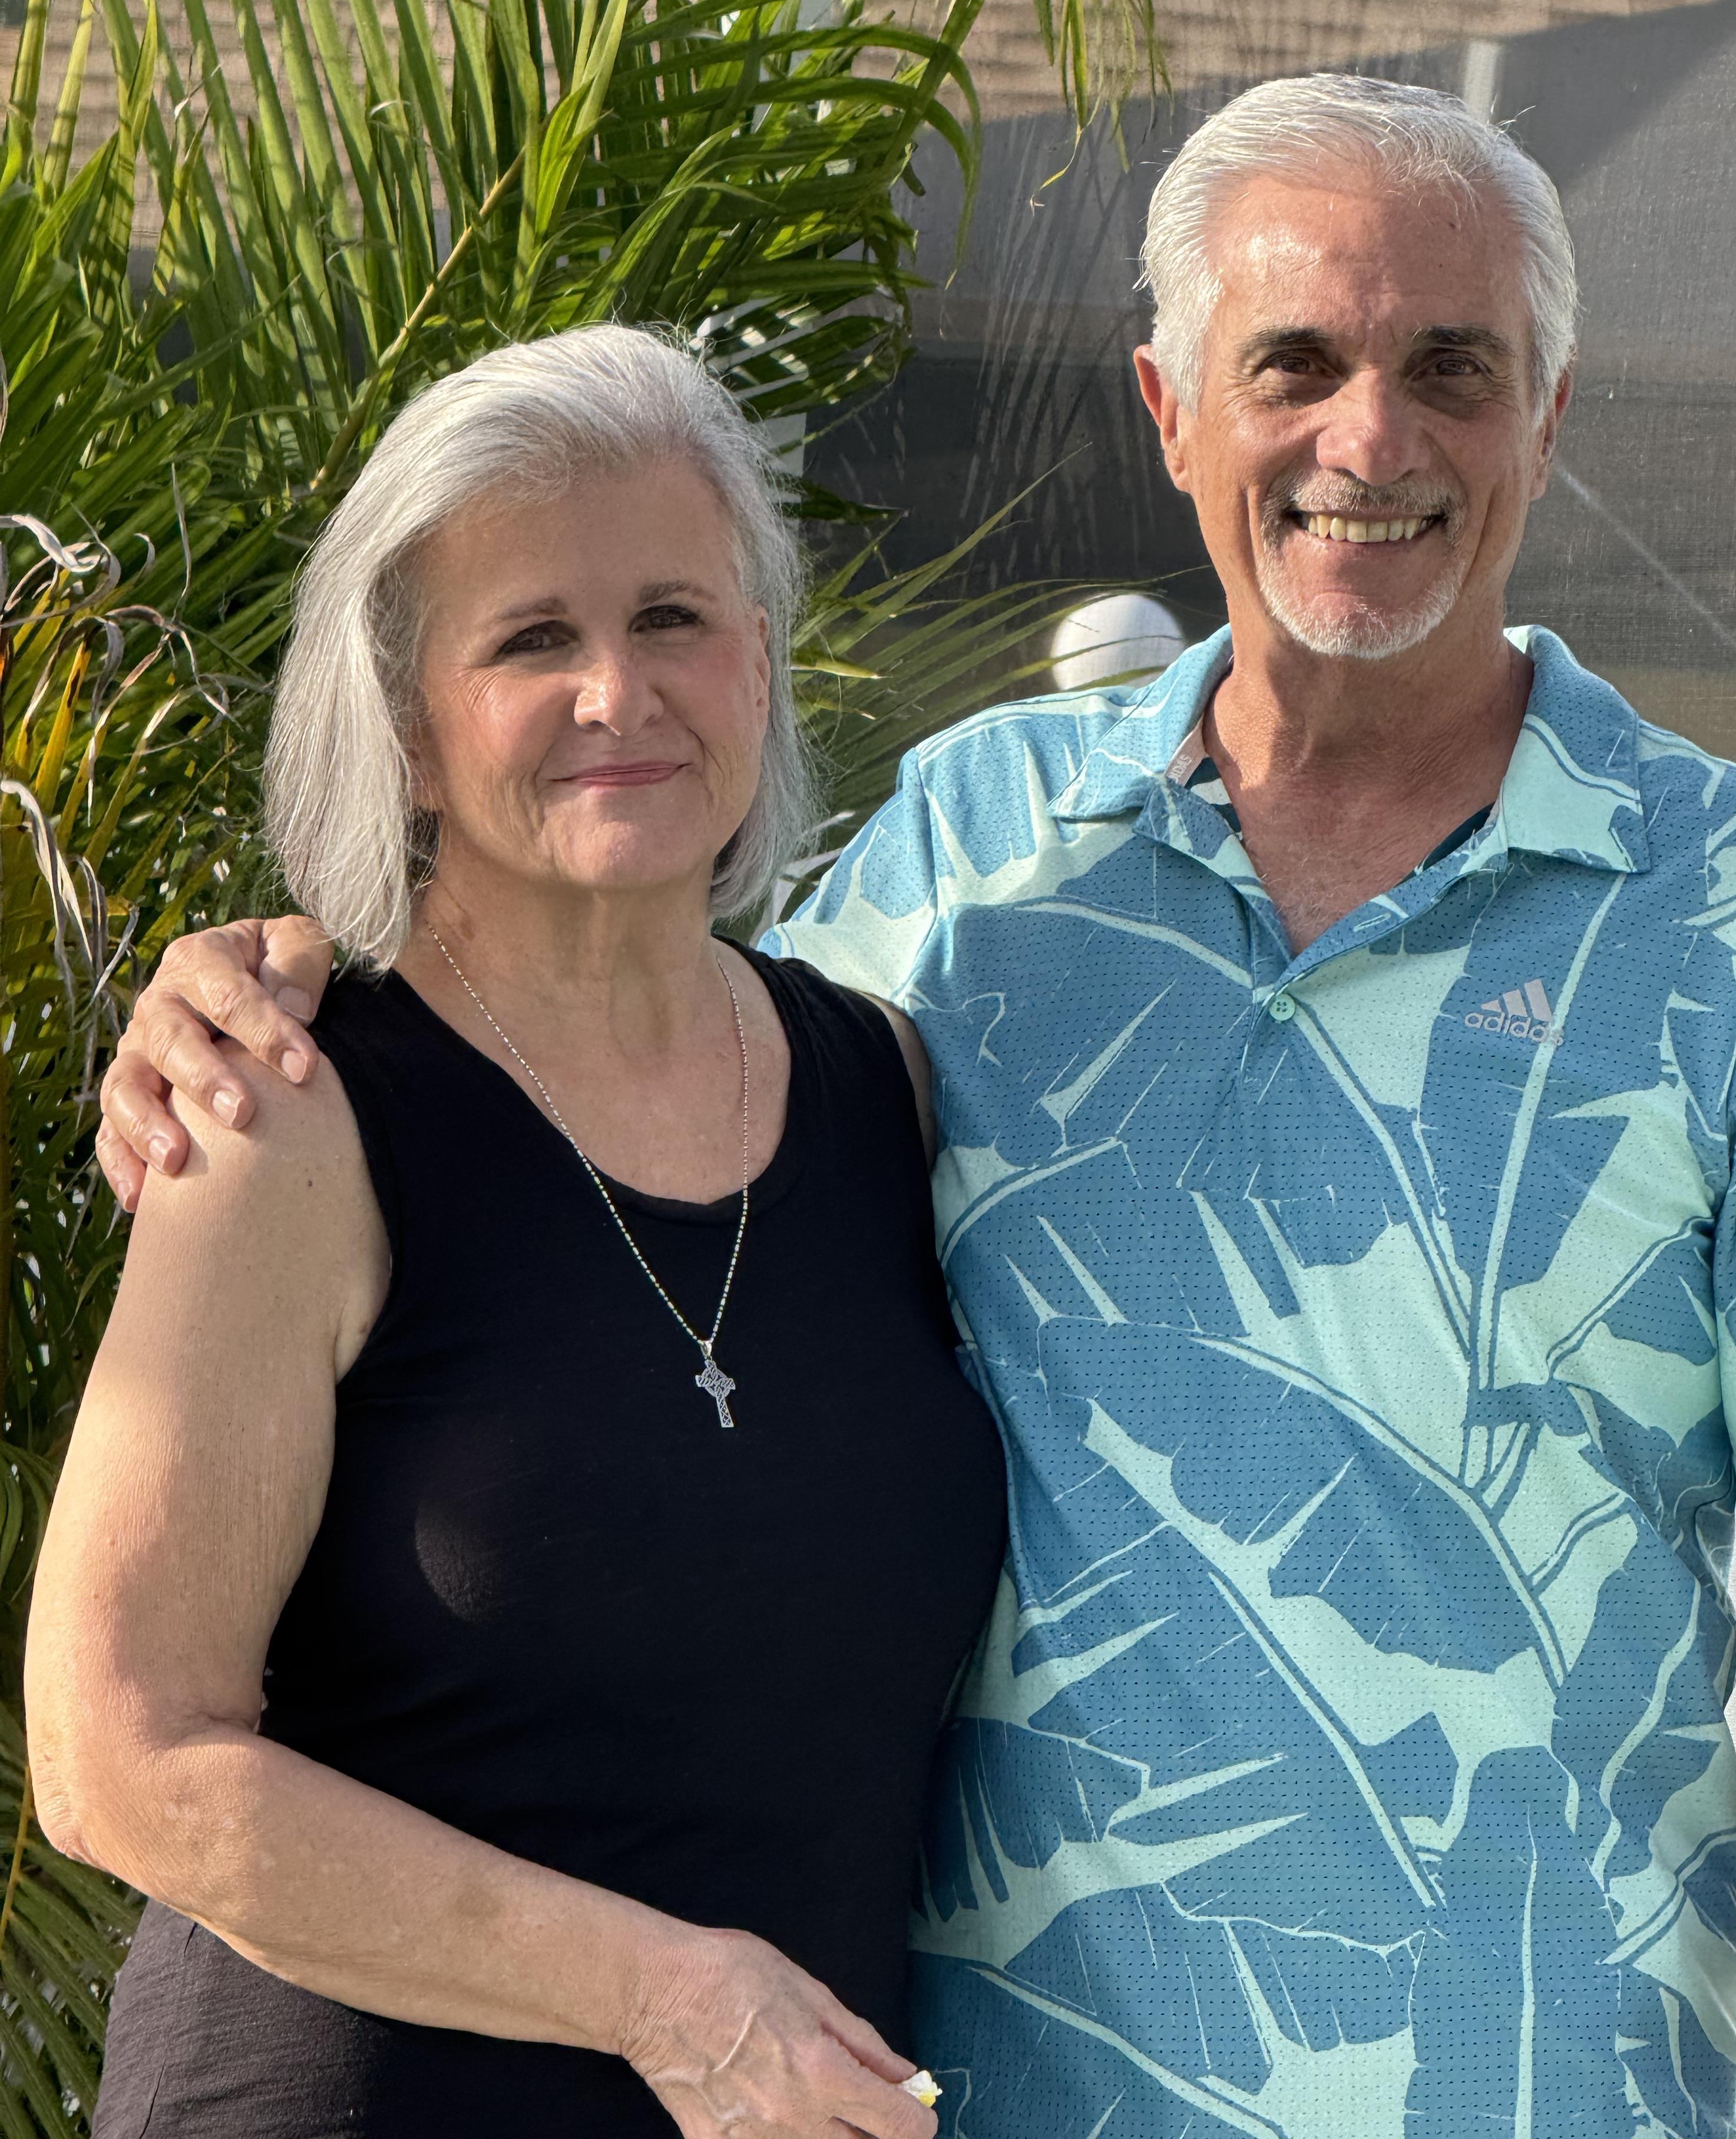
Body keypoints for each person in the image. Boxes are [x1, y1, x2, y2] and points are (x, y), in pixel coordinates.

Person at [92, 75, 1736, 2139]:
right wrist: (252, 986)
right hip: (975, 2103)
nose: (1373, 439)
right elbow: (587, 1027)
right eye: (1296, 365)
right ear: (1169, 412)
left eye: (1454, 368)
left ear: (1551, 413)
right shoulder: (975, 858)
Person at [26, 326, 1008, 2138]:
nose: (617, 692)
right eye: (533, 639)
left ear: (761, 663)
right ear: (406, 730)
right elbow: (116, 1757)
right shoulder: (281, 1110)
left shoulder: (889, 1090)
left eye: (672, 619)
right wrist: (664, 1998)